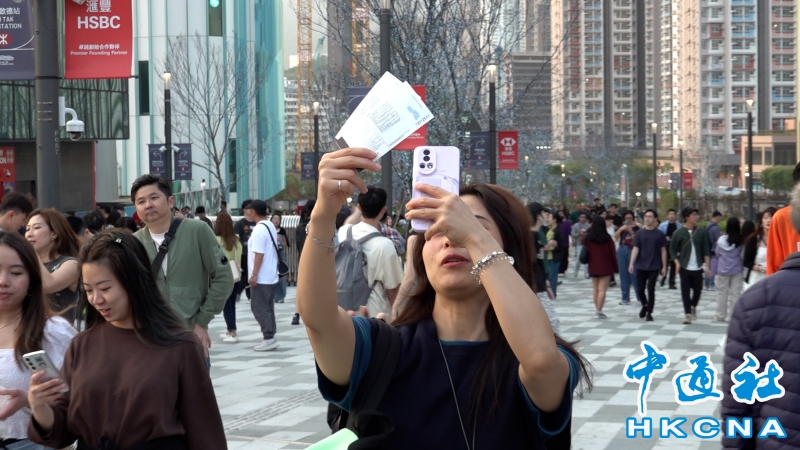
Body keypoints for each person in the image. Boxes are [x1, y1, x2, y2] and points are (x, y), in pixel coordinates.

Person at [298, 148, 590, 448]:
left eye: (471, 226)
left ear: (506, 248)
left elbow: (541, 361)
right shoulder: (380, 348)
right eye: (434, 228)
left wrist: (475, 239)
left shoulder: (534, 354)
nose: (450, 238)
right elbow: (318, 319)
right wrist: (323, 214)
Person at [26, 230, 226, 449]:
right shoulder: (81, 345)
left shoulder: (180, 345)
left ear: (134, 282)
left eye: (105, 288)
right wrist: (40, 407)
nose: (96, 299)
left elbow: (205, 431)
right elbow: (62, 428)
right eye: (88, 290)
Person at [131, 174, 233, 362]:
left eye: (154, 198)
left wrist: (202, 322)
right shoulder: (133, 243)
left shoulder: (197, 231)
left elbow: (224, 277)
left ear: (170, 201)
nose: (148, 205)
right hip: (148, 339)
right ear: (136, 208)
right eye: (141, 201)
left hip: (189, 336)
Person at [0, 232, 76, 450]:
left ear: (32, 279)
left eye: (16, 273)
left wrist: (30, 400)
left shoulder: (53, 332)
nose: (3, 281)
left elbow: (79, 398)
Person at [337, 187, 404, 318]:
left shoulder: (344, 232)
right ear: (383, 210)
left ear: (359, 208)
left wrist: (361, 207)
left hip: (344, 312)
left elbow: (349, 222)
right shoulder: (385, 245)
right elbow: (393, 290)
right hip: (375, 315)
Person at [26, 209, 82, 327]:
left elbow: (48, 285)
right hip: (28, 332)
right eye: (27, 229)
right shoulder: (24, 264)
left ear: (54, 234)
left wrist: (31, 253)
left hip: (57, 335)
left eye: (36, 228)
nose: (29, 234)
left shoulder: (71, 263)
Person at [247, 200, 281, 351]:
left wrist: (254, 274)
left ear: (254, 211)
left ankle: (268, 337)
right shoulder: (269, 225)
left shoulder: (259, 229)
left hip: (262, 276)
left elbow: (259, 254)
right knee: (268, 307)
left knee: (259, 307)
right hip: (271, 274)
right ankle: (270, 335)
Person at [670, 207, 711, 324]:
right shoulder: (678, 233)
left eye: (696, 214)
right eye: (693, 215)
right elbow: (672, 250)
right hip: (684, 267)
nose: (696, 217)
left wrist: (707, 266)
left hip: (697, 267)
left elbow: (706, 250)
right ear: (687, 217)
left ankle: (693, 306)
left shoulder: (701, 232)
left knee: (698, 290)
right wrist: (677, 263)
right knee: (685, 292)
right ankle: (687, 314)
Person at [628, 210, 668, 322]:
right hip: (641, 265)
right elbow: (635, 248)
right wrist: (631, 263)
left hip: (654, 266)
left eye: (650, 216)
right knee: (640, 289)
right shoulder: (639, 233)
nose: (647, 218)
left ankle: (649, 312)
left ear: (655, 219)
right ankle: (645, 305)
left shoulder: (659, 234)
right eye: (646, 216)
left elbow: (663, 251)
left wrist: (664, 266)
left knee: (651, 289)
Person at [527, 202, 559, 332]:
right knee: (552, 322)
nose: (546, 216)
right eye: (544, 213)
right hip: (534, 285)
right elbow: (532, 263)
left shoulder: (536, 234)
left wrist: (546, 284)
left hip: (539, 284)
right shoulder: (529, 236)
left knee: (550, 322)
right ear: (538, 216)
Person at [582, 215, 618, 318]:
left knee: (595, 289)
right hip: (605, 266)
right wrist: (616, 268)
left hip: (593, 265)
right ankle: (599, 311)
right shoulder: (607, 238)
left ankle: (596, 310)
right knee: (602, 290)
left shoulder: (588, 238)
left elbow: (582, 242)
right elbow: (613, 254)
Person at [215, 212, 243, 343]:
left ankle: (233, 332)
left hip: (223, 275)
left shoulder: (215, 240)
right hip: (236, 274)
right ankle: (229, 329)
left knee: (226, 304)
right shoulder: (236, 239)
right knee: (232, 304)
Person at [714, 217, 744, 323]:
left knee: (722, 292)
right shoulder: (741, 240)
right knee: (735, 293)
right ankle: (732, 316)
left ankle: (720, 315)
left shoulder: (721, 240)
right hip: (737, 269)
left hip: (723, 269)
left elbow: (717, 253)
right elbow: (742, 255)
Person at [743, 208, 775, 292]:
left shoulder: (780, 239)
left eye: (771, 217)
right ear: (761, 221)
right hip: (756, 278)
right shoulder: (754, 239)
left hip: (774, 278)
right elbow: (746, 261)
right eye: (765, 218)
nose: (768, 220)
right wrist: (759, 268)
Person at [615, 210, 641, 306]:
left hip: (632, 250)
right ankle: (625, 298)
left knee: (635, 274)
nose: (628, 220)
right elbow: (615, 236)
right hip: (622, 249)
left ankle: (640, 297)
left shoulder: (637, 227)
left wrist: (631, 232)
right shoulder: (622, 227)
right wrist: (621, 229)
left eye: (630, 218)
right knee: (623, 275)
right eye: (626, 218)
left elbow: (636, 241)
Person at [234, 200, 256, 302]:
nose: (250, 209)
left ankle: (250, 295)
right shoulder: (240, 223)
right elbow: (236, 238)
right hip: (244, 253)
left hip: (255, 253)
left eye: (252, 207)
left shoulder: (257, 223)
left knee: (250, 274)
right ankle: (238, 293)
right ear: (244, 210)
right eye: (248, 208)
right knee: (245, 274)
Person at [658, 209, 682, 289]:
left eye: (673, 214)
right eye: (670, 214)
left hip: (674, 247)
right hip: (665, 246)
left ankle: (672, 282)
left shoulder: (679, 226)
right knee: (664, 263)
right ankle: (663, 277)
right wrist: (664, 238)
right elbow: (658, 235)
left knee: (673, 264)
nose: (671, 216)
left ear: (675, 216)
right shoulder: (662, 225)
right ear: (667, 215)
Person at [270, 211, 289, 304]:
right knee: (272, 273)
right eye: (274, 218)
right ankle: (273, 296)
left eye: (278, 219)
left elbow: (285, 243)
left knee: (281, 274)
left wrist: (281, 240)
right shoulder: (269, 229)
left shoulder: (282, 230)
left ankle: (281, 296)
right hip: (271, 252)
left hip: (280, 252)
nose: (276, 221)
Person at [705, 211, 723, 291]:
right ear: (717, 217)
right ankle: (711, 284)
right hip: (713, 249)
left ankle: (706, 284)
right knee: (713, 267)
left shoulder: (707, 225)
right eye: (720, 218)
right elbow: (718, 240)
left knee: (708, 267)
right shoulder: (716, 227)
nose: (720, 220)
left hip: (707, 248)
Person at [571, 212, 590, 278]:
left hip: (586, 244)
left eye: (584, 217)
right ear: (579, 218)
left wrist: (586, 234)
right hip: (579, 244)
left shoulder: (588, 226)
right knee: (579, 258)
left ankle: (586, 273)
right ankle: (576, 270)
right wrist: (579, 234)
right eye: (581, 217)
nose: (583, 218)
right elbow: (572, 234)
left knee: (586, 258)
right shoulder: (575, 225)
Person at [557, 210, 572, 276]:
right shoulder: (557, 222)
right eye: (559, 213)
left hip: (565, 242)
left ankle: (564, 269)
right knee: (559, 256)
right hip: (558, 242)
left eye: (562, 213)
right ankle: (560, 270)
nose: (561, 215)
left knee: (565, 256)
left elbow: (569, 232)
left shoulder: (567, 222)